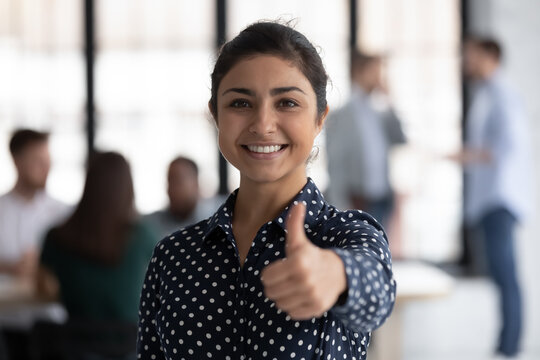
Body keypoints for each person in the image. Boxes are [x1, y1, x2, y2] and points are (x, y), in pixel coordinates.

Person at [137, 21, 396, 360]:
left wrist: (336, 275)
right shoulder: (173, 256)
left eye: (287, 103)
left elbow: (376, 292)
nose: (262, 124)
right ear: (215, 114)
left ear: (320, 118)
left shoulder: (346, 236)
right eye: (240, 104)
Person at [455, 36, 533, 359]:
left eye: (470, 55)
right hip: (491, 198)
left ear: (490, 55)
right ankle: (506, 344)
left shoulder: (503, 94)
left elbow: (507, 146)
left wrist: (464, 156)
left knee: (506, 273)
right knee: (501, 275)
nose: (466, 61)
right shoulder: (487, 93)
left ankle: (510, 347)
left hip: (500, 198)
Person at [38, 152, 156, 325]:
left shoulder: (58, 236)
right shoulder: (142, 235)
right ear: (128, 187)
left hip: (77, 342)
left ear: (88, 183)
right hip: (131, 343)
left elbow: (42, 286)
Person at [326, 51, 406, 228]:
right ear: (358, 72)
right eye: (374, 71)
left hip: (383, 197)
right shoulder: (341, 115)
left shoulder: (380, 111)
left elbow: (400, 139)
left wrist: (390, 99)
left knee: (379, 253)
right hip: (357, 200)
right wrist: (340, 205)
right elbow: (336, 162)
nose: (379, 77)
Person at [0, 129, 70, 279]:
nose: (46, 169)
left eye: (48, 162)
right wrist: (8, 267)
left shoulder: (63, 213)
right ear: (16, 161)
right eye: (38, 162)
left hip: (49, 303)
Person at [142, 156, 221, 238]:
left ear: (195, 185)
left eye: (178, 181)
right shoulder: (151, 224)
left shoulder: (216, 220)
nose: (172, 188)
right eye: (169, 181)